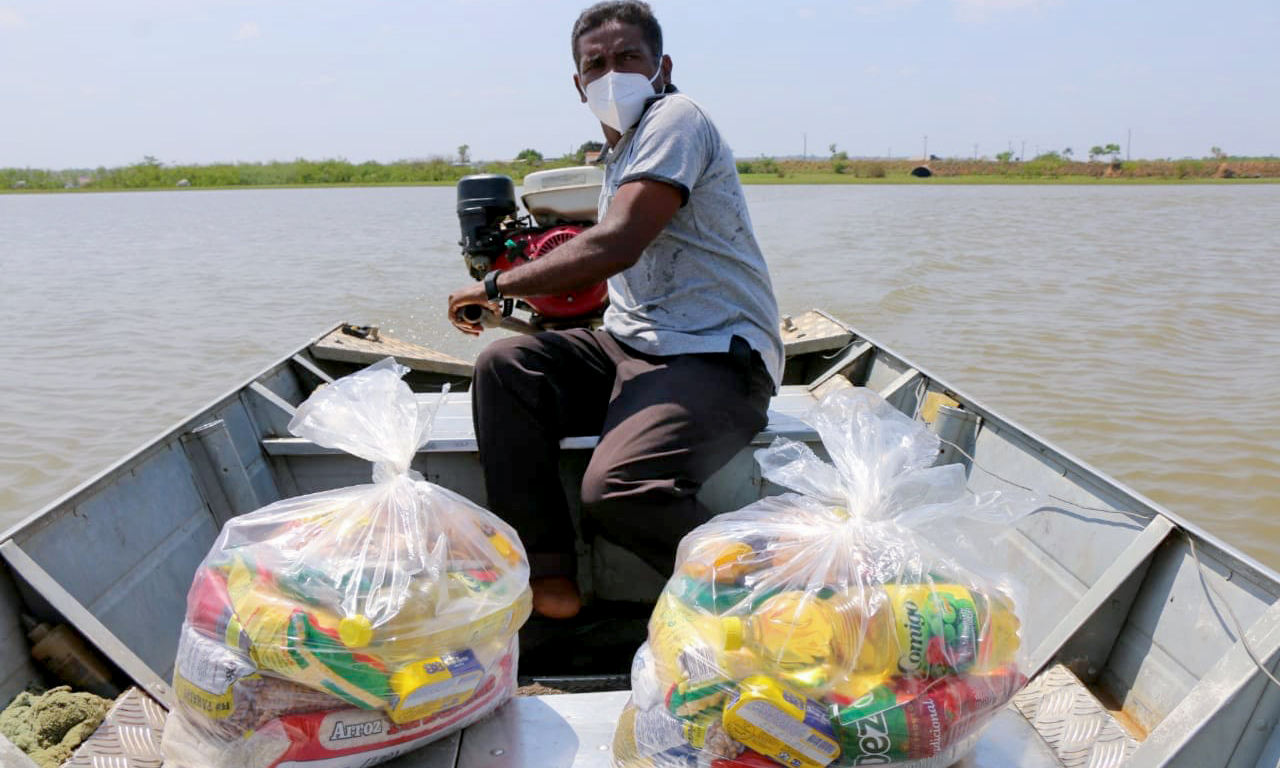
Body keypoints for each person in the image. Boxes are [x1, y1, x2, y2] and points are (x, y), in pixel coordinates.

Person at [447, 0, 783, 619]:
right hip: (632, 344)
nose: (611, 74)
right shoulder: (617, 151)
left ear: (662, 66)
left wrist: (496, 286)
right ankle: (548, 574)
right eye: (595, 64)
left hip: (716, 355)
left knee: (620, 490)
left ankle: (768, 602)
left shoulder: (676, 118)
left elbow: (616, 242)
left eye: (628, 57)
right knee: (505, 366)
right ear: (579, 86)